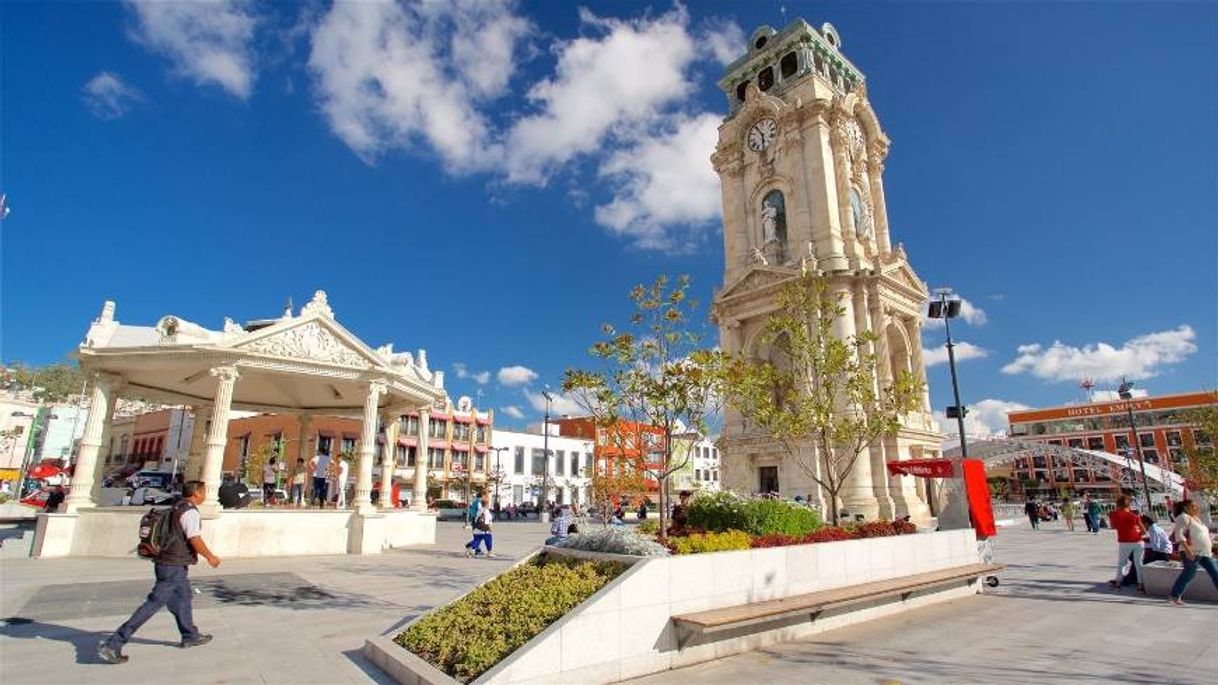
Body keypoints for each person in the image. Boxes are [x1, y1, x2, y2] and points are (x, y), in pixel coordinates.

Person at [97, 480, 220, 664]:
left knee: (184, 596)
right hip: (173, 565)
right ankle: (114, 643)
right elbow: (194, 538)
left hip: (167, 561)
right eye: (203, 492)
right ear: (196, 493)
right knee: (153, 604)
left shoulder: (176, 506)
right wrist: (210, 556)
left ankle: (190, 635)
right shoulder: (190, 512)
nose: (205, 495)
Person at [1169, 499, 1218, 606]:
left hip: (1204, 552)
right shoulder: (1183, 517)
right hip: (1192, 551)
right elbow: (1179, 535)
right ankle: (1175, 595)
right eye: (1193, 506)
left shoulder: (1196, 519)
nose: (1196, 508)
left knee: (1216, 573)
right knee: (1189, 574)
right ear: (1186, 508)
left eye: (1196, 506)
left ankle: (1175, 595)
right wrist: (1188, 550)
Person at [1108, 495, 1145, 593]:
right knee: (1139, 563)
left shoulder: (1113, 514)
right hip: (1138, 541)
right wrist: (1137, 534)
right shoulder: (1134, 516)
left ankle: (1118, 583)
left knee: (1122, 563)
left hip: (1124, 542)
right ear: (1129, 505)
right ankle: (1140, 584)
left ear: (1117, 504)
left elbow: (1112, 527)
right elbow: (1144, 531)